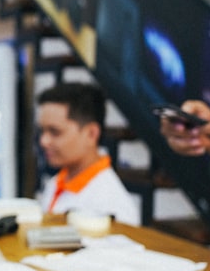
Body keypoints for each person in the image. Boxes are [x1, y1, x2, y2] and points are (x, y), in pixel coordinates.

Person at [36, 81, 140, 225]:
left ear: (91, 134)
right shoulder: (55, 183)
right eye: (42, 131)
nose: (44, 141)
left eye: (55, 132)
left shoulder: (112, 206)